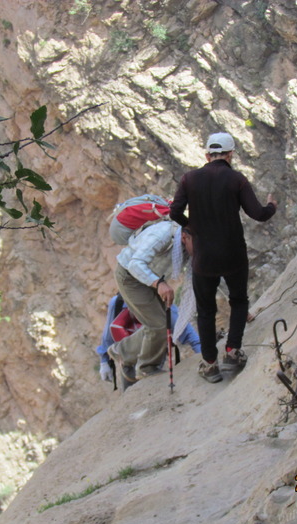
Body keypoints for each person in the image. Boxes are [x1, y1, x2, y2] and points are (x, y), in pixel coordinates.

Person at [170, 132, 277, 383]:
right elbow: (259, 214)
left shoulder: (189, 179)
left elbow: (174, 212)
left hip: (204, 257)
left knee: (206, 310)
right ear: (230, 155)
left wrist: (192, 227)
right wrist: (272, 205)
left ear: (207, 155)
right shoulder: (236, 180)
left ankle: (209, 364)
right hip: (233, 254)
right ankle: (232, 351)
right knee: (239, 301)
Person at [107, 221, 192, 383]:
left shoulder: (187, 242)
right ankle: (146, 368)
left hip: (151, 276)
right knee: (159, 324)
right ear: (184, 236)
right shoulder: (161, 235)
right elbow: (135, 264)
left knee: (160, 322)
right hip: (130, 277)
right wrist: (159, 284)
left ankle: (122, 350)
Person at [95, 293, 201, 383]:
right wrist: (104, 362)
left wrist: (203, 354)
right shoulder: (118, 302)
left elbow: (188, 332)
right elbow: (108, 334)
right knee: (132, 390)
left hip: (152, 356)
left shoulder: (161, 302)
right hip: (127, 362)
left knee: (157, 327)